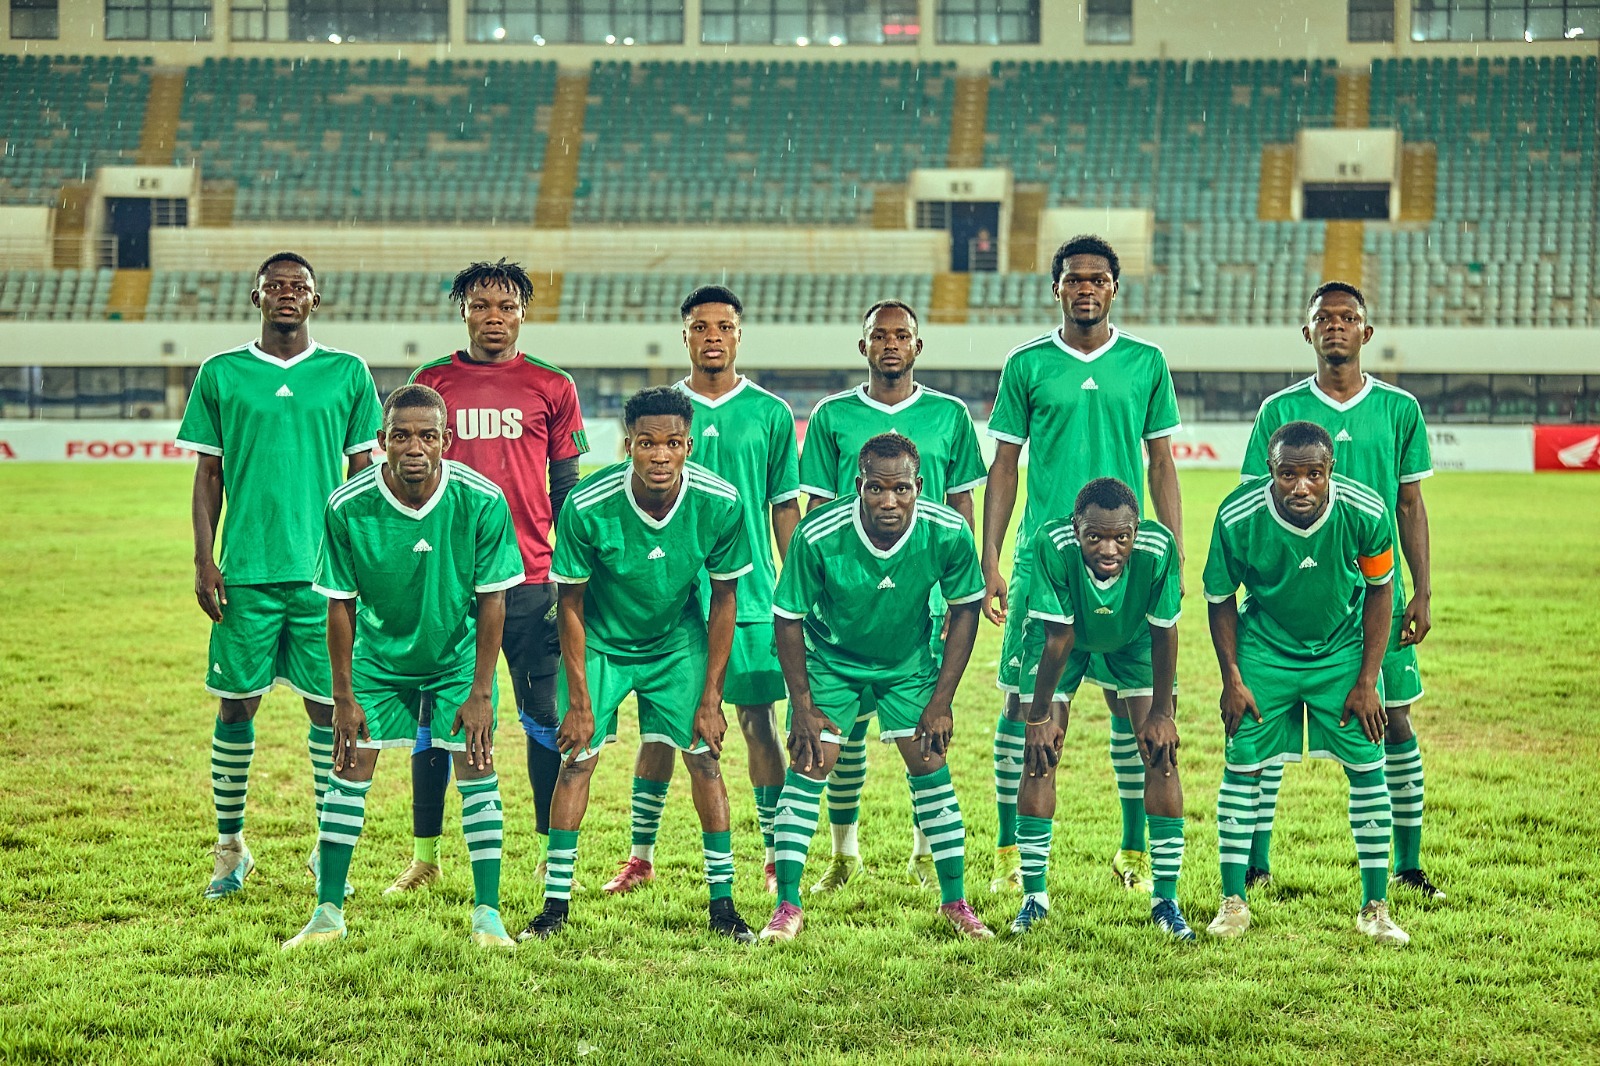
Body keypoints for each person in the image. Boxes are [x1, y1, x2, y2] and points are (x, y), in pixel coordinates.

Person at [283, 384, 525, 950]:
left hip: (456, 657)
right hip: (377, 659)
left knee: (478, 768)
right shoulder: (348, 505)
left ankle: (488, 916)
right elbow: (339, 605)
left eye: (426, 436)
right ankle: (327, 914)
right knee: (349, 769)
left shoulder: (482, 499)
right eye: (401, 435)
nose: (414, 447)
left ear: (447, 440)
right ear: (381, 439)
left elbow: (493, 599)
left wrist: (481, 691)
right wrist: (343, 697)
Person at [981, 235, 1184, 896]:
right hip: (1045, 559)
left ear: (1114, 288)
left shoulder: (1147, 362)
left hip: (1126, 559)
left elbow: (1161, 461)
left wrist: (1174, 549)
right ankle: (1010, 852)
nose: (1086, 288)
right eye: (1074, 279)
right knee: (1024, 708)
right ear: (1057, 288)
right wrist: (991, 556)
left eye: (1098, 279)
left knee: (1136, 707)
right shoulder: (1027, 363)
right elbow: (1005, 464)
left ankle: (1134, 851)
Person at [176, 251, 381, 902]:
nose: (287, 293)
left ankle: (328, 848)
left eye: (300, 286)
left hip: (324, 579)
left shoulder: (347, 373)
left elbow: (362, 479)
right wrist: (204, 558)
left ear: (316, 300)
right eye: (275, 286)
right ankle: (230, 847)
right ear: (256, 297)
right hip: (248, 571)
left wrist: (362, 564)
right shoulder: (221, 372)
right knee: (236, 704)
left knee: (331, 709)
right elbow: (209, 474)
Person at [526, 386, 758, 943]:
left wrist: (711, 699)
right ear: (627, 444)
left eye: (673, 443)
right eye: (647, 443)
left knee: (704, 760)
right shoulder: (588, 504)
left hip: (676, 642)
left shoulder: (721, 501)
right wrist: (579, 702)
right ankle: (554, 907)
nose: (660, 455)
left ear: (688, 447)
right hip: (602, 642)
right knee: (576, 762)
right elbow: (570, 604)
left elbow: (725, 598)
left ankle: (724, 906)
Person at [385, 259, 588, 897]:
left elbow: (566, 486)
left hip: (529, 576)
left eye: (506, 306)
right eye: (481, 305)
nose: (493, 317)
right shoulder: (430, 381)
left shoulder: (553, 385)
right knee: (436, 715)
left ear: (523, 313)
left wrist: (568, 571)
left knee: (542, 717)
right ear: (463, 311)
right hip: (445, 579)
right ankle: (425, 856)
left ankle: (549, 854)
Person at [1240, 282, 1441, 901]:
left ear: (1365, 333)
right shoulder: (1277, 410)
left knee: (1394, 721)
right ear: (1308, 333)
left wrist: (1423, 589)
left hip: (1376, 596)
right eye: (1323, 318)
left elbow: (1410, 504)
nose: (1335, 326)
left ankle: (1408, 866)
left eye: (1347, 317)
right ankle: (1254, 864)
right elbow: (1253, 507)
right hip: (1291, 601)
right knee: (1266, 728)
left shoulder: (1400, 409)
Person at [605, 286, 800, 898]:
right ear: (684, 334)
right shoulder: (660, 412)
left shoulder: (770, 412)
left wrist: (795, 584)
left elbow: (783, 507)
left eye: (724, 326)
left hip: (748, 595)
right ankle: (640, 857)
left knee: (758, 723)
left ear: (739, 334)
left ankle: (773, 856)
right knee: (660, 730)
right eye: (700, 326)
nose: (712, 336)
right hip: (669, 597)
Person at [761, 433, 992, 942]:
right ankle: (787, 906)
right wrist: (802, 705)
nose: (890, 501)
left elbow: (966, 609)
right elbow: (787, 618)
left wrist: (941, 702)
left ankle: (955, 902)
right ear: (858, 485)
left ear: (919, 486)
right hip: (832, 661)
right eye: (877, 489)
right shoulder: (818, 533)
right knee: (810, 763)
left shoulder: (947, 530)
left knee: (930, 763)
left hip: (906, 662)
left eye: (901, 489)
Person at [797, 299, 987, 892]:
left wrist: (959, 584)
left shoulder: (950, 414)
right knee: (844, 732)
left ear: (917, 346)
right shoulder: (831, 414)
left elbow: (961, 503)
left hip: (924, 597)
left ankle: (926, 856)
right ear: (864, 346)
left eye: (901, 335)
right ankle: (844, 853)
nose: (890, 344)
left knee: (922, 731)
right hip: (848, 603)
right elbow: (817, 508)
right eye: (879, 336)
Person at [1202, 420, 1409, 947]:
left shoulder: (1366, 510)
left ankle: (1375, 907)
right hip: (1264, 649)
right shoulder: (1236, 516)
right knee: (1242, 765)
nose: (1301, 486)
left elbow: (1381, 590)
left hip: (1341, 651)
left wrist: (1367, 680)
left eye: (1314, 474)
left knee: (1367, 766)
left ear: (1330, 470)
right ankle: (1233, 902)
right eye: (1288, 474)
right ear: (1269, 470)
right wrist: (1232, 678)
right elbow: (1220, 599)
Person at [1012, 477, 1192, 940]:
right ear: (1076, 529)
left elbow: (1165, 632)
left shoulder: (1158, 548)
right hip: (1062, 642)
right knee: (1039, 757)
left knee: (1162, 757)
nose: (1109, 549)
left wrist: (1162, 713)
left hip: (1135, 639)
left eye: (1121, 537)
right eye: (1094, 536)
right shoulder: (1052, 544)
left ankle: (1166, 900)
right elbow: (1059, 637)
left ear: (1136, 531)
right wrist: (1038, 717)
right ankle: (1034, 898)